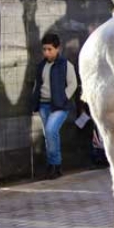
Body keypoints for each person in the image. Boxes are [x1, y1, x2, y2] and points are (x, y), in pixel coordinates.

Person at [30, 33, 79, 180]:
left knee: (51, 131)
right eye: (44, 49)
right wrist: (36, 101)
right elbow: (38, 84)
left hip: (60, 107)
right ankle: (55, 168)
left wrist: (63, 97)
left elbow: (73, 84)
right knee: (50, 136)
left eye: (50, 49)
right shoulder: (41, 66)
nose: (47, 52)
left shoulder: (66, 65)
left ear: (58, 48)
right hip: (44, 105)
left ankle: (54, 164)